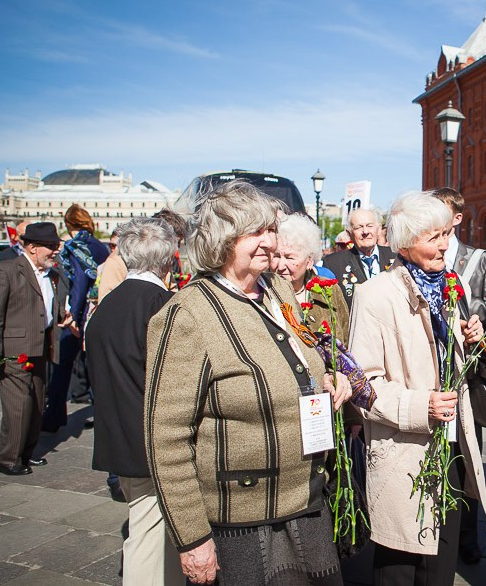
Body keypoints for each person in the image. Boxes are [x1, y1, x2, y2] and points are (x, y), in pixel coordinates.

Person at [144, 181, 352, 586]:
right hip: (242, 522)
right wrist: (192, 539)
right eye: (254, 233)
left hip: (306, 502)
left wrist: (324, 377)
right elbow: (166, 438)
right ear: (222, 240)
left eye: (270, 231)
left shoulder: (276, 291)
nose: (269, 242)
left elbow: (293, 362)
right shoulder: (187, 316)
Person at [348, 191, 486, 586]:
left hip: (450, 446)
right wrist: (420, 406)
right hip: (403, 451)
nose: (445, 244)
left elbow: (446, 359)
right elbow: (363, 385)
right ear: (406, 243)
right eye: (433, 237)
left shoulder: (450, 285)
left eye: (445, 233)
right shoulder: (374, 295)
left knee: (441, 563)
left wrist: (467, 337)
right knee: (400, 564)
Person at [85, 218, 183, 585]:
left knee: (164, 539)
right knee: (148, 536)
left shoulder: (106, 308)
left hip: (120, 439)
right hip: (152, 446)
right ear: (169, 260)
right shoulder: (165, 307)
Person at [432, 187, 486, 565]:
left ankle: (467, 535)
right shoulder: (423, 255)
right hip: (430, 372)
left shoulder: (478, 259)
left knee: (467, 452)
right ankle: (437, 528)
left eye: (441, 213)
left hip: (467, 374)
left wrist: (480, 316)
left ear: (457, 218)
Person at [0, 222, 71, 475]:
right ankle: (6, 458)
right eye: (50, 247)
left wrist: (64, 317)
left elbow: (48, 308)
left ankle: (26, 453)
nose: (55, 251)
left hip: (41, 347)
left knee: (37, 403)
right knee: (19, 405)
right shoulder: (7, 270)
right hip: (14, 350)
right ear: (32, 248)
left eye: (56, 246)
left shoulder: (51, 275)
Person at [43, 204, 109, 431]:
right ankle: (103, 417)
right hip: (99, 312)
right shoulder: (100, 247)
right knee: (96, 369)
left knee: (62, 367)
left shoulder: (75, 246)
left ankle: (54, 417)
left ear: (68, 223)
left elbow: (78, 286)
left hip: (79, 316)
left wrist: (73, 317)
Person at [277, 212, 349, 342]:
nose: (280, 265)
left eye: (289, 257)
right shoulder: (266, 293)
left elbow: (346, 336)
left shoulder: (329, 289)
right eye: (276, 256)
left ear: (309, 261)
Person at [322, 208, 396, 308]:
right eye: (358, 227)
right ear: (349, 234)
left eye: (370, 226)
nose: (365, 231)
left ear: (378, 230)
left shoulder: (395, 257)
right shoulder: (333, 263)